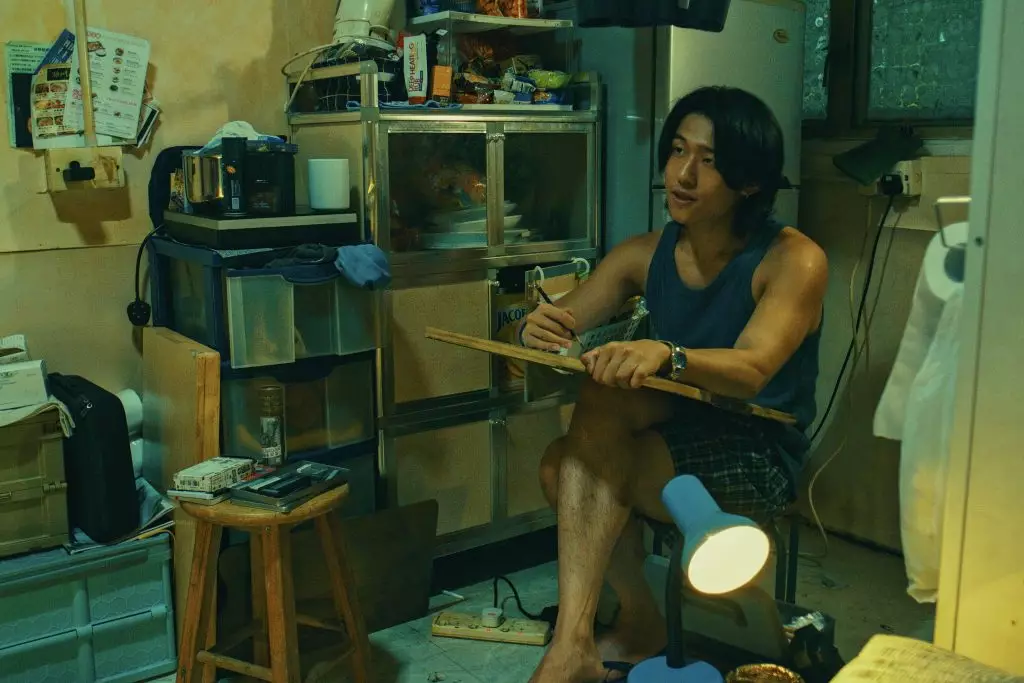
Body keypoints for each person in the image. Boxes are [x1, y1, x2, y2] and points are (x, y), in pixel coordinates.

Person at [520, 86, 828, 683]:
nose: (683, 175)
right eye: (678, 151)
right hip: (676, 424)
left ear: (750, 181)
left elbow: (752, 369)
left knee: (573, 467)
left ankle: (584, 644)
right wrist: (536, 326)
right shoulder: (645, 253)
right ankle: (614, 629)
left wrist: (669, 354)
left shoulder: (793, 259)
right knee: (568, 453)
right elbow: (559, 323)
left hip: (757, 448)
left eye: (708, 161)